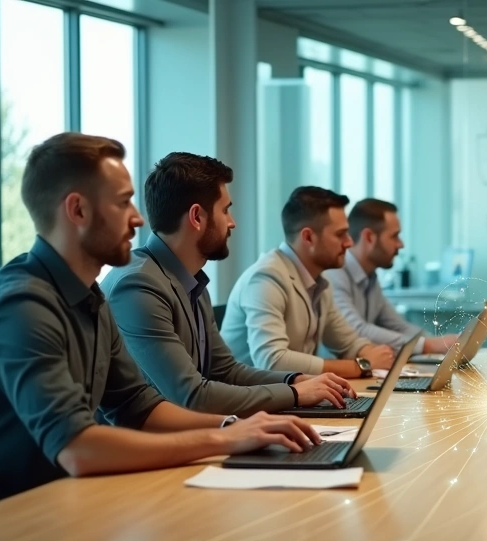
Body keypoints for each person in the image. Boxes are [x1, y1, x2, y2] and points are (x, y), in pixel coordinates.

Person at [0, 133, 321, 505]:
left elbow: (139, 406)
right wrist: (225, 439)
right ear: (78, 210)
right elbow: (77, 448)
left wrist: (234, 427)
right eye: (123, 203)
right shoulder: (21, 305)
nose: (138, 219)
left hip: (64, 498)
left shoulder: (90, 296)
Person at [102, 152, 357, 416]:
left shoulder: (191, 281)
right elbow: (192, 396)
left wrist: (295, 380)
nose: (232, 222)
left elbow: (226, 371)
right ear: (196, 217)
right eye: (225, 210)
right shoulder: (138, 286)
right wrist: (295, 394)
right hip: (146, 440)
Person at [220, 186, 395, 377]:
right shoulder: (265, 278)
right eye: (340, 234)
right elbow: (272, 361)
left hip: (287, 392)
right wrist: (361, 366)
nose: (349, 242)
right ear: (308, 237)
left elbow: (348, 342)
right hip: (247, 394)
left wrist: (369, 353)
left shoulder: (320, 282)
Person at [324, 198, 458, 354]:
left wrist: (438, 342)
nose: (401, 244)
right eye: (394, 236)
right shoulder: (335, 273)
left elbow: (398, 326)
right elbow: (355, 330)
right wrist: (426, 345)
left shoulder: (370, 277)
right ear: (369, 237)